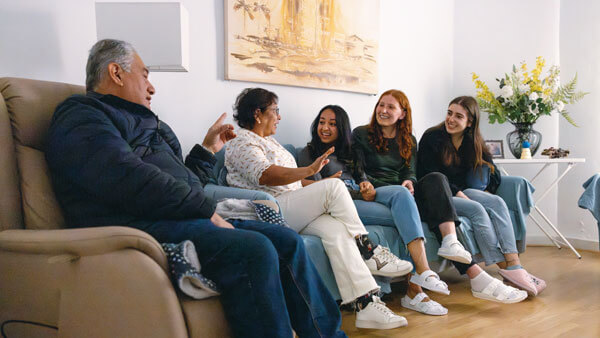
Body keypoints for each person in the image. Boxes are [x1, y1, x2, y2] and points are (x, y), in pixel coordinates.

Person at [45, 39, 347, 338]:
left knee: (287, 240)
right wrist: (203, 208)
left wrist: (207, 149)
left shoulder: (149, 124)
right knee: (254, 249)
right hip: (135, 224)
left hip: (176, 215)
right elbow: (125, 177)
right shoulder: (83, 115)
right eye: (145, 75)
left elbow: (182, 179)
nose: (152, 87)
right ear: (116, 72)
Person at [225, 88, 410, 330]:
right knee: (335, 188)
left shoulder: (270, 142)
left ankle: (366, 305)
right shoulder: (241, 142)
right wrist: (311, 172)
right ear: (258, 114)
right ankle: (369, 250)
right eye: (275, 111)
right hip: (269, 211)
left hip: (291, 204)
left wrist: (317, 184)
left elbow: (291, 180)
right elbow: (266, 175)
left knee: (336, 231)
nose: (279, 117)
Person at [354, 89, 528, 305]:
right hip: (380, 192)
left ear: (402, 113)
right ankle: (471, 278)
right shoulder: (361, 133)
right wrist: (369, 183)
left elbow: (411, 171)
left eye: (391, 107)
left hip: (404, 192)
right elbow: (358, 169)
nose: (383, 110)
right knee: (428, 202)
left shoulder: (409, 139)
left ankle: (451, 242)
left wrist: (409, 181)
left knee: (436, 180)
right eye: (381, 105)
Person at [297, 105, 449, 316]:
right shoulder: (310, 152)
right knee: (404, 218)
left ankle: (420, 278)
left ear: (341, 128)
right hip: (339, 204)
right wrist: (339, 186)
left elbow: (362, 177)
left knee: (401, 194)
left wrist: (366, 186)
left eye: (332, 124)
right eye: (322, 122)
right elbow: (313, 191)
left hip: (361, 198)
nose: (325, 128)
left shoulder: (350, 151)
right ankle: (416, 287)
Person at [417, 95, 546, 298]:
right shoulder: (432, 137)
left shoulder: (472, 141)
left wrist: (487, 190)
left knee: (497, 202)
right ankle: (504, 268)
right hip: (440, 195)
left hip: (465, 192)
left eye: (458, 116)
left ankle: (514, 265)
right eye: (449, 113)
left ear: (470, 122)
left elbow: (492, 170)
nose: (451, 119)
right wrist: (459, 192)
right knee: (477, 209)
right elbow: (428, 173)